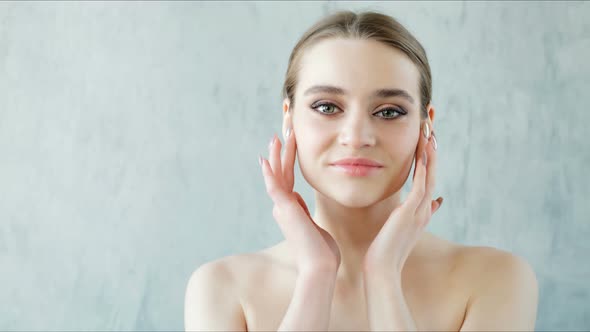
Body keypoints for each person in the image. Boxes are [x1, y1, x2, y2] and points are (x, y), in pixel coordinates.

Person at [185, 10, 539, 331]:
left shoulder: (496, 281)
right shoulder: (221, 289)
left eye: (388, 111)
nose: (356, 137)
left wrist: (383, 277)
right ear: (289, 119)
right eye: (327, 107)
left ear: (425, 125)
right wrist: (316, 273)